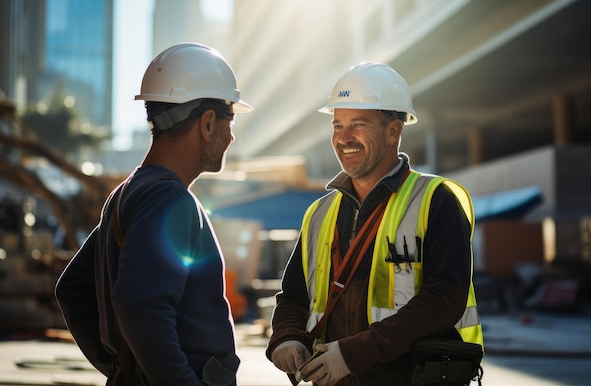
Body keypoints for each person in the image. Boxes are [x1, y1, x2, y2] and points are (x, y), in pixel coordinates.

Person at [266, 62, 483, 386]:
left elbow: (443, 300)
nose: (343, 138)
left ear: (393, 131)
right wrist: (286, 337)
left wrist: (354, 354)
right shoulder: (320, 212)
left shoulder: (435, 201)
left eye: (358, 124)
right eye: (338, 126)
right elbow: (295, 296)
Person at [55, 43, 253, 386]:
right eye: (229, 120)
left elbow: (72, 290)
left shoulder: (128, 193)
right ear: (207, 124)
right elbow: (140, 304)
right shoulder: (168, 199)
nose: (232, 136)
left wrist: (123, 368)